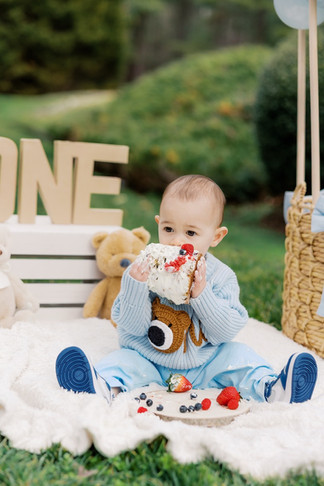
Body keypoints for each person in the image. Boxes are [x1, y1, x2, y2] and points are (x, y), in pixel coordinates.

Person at [56, 175, 318, 405]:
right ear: (158, 223)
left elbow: (226, 331)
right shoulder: (140, 270)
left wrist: (201, 295)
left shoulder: (221, 277)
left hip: (206, 365)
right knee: (123, 361)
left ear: (215, 237)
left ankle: (271, 388)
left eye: (191, 233)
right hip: (150, 363)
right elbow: (129, 327)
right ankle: (100, 384)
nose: (177, 240)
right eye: (168, 229)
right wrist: (135, 285)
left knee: (240, 356)